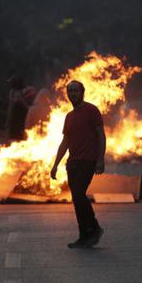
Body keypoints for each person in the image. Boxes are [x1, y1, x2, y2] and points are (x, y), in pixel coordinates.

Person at [50, 80, 105, 249]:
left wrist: (100, 159)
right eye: (70, 91)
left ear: (82, 92)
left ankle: (94, 228)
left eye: (75, 90)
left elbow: (101, 136)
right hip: (72, 163)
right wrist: (55, 164)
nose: (73, 93)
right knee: (76, 199)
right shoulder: (69, 116)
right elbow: (65, 142)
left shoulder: (91, 110)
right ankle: (83, 235)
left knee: (80, 194)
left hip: (87, 161)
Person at [5, 76, 36, 141]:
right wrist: (8, 120)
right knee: (14, 136)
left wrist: (20, 98)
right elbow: (11, 106)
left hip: (27, 114)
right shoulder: (12, 92)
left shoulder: (30, 90)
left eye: (14, 83)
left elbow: (29, 103)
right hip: (16, 117)